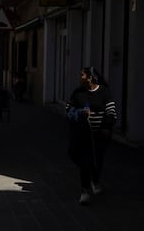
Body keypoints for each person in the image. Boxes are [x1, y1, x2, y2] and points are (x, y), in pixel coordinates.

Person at [66, 66, 116, 205]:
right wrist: (79, 113)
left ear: (90, 77)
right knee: (83, 160)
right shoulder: (78, 93)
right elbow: (68, 109)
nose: (79, 77)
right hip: (82, 133)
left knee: (97, 159)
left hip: (101, 134)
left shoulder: (104, 92)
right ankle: (85, 189)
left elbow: (111, 111)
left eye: (82, 75)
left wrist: (106, 126)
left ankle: (93, 182)